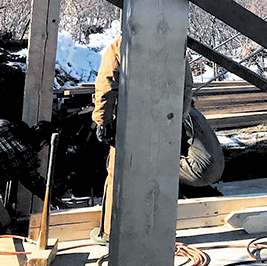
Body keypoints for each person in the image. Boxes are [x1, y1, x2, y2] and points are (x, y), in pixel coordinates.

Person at [91, 36, 224, 243]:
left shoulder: (121, 45)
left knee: (118, 172)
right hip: (163, 119)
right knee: (158, 170)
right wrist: (178, 118)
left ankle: (110, 232)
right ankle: (156, 229)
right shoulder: (173, 42)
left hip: (131, 120)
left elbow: (107, 86)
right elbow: (186, 85)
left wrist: (102, 121)